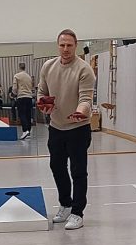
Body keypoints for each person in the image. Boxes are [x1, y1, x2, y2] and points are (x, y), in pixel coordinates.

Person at [37, 29, 95, 231]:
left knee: (78, 171)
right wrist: (43, 105)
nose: (65, 49)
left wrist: (80, 111)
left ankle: (77, 213)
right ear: (58, 46)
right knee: (57, 166)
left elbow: (86, 99)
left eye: (69, 45)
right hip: (56, 127)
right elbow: (42, 92)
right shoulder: (48, 66)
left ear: (75, 46)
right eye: (62, 45)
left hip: (78, 127)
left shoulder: (84, 69)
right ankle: (65, 204)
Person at [12, 62, 33, 139]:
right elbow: (31, 87)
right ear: (25, 67)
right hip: (29, 97)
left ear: (19, 67)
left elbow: (14, 88)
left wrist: (15, 94)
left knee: (22, 114)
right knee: (28, 114)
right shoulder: (29, 77)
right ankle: (29, 131)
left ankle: (25, 130)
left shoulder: (17, 76)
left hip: (21, 97)